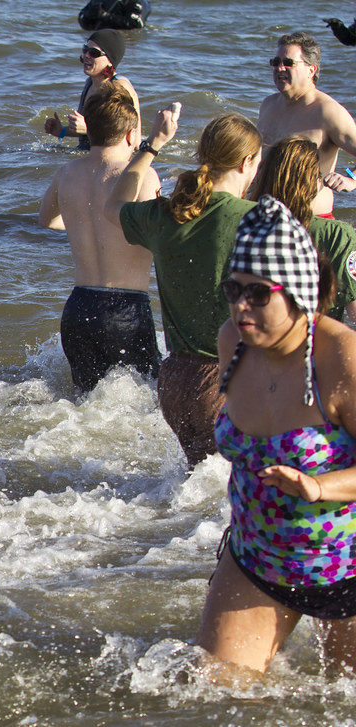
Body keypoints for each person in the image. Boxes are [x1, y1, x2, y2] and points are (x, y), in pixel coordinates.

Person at [197, 195, 356, 676]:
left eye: (259, 294)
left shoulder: (340, 358)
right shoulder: (234, 342)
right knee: (211, 693)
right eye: (233, 289)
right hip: (257, 557)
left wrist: (319, 486)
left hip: (346, 568)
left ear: (301, 291)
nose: (241, 306)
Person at [105, 112, 262, 468]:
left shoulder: (166, 215)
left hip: (174, 382)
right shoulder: (256, 218)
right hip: (226, 380)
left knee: (196, 488)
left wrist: (152, 146)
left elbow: (111, 208)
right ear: (247, 162)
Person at [38, 83, 161, 391]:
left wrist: (84, 224)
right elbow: (155, 235)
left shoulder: (66, 173)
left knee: (85, 405)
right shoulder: (141, 174)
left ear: (88, 131)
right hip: (126, 310)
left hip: (78, 308)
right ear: (132, 135)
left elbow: (47, 220)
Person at [250, 135, 356, 323]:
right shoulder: (337, 235)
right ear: (311, 183)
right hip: (314, 344)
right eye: (318, 176)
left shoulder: (248, 223)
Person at [257, 31, 356, 217]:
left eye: (288, 63)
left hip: (312, 220)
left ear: (312, 70)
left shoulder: (328, 111)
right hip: (267, 216)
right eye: (276, 62)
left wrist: (351, 179)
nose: (280, 68)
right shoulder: (268, 105)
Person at [43, 29, 140, 151]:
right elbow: (88, 131)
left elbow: (132, 141)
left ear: (110, 60)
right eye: (85, 50)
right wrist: (62, 131)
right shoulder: (89, 83)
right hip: (89, 154)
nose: (86, 55)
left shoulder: (120, 87)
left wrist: (87, 129)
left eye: (94, 53)